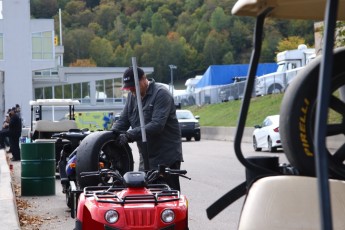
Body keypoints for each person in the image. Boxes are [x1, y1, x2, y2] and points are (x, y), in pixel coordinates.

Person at [112, 67, 184, 191]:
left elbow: (157, 125)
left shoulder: (161, 94)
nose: (132, 90)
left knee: (167, 196)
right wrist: (108, 136)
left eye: (134, 86)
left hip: (165, 158)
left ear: (144, 79)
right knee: (144, 195)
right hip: (145, 158)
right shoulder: (132, 96)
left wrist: (130, 135)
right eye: (129, 87)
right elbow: (123, 121)